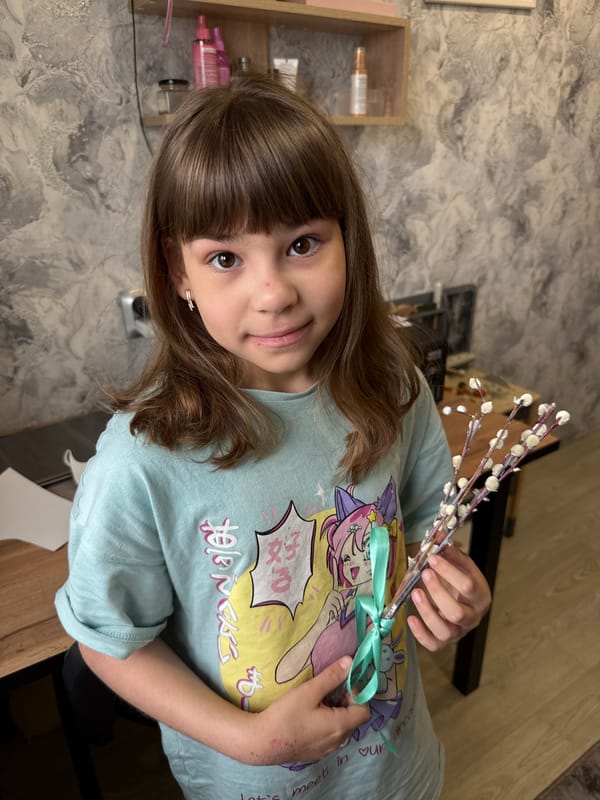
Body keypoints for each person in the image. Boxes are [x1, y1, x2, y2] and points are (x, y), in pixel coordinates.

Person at [56, 74, 491, 800]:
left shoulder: (394, 389)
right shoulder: (143, 458)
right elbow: (108, 641)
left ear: (347, 241)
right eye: (226, 258)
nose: (273, 293)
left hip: (397, 770)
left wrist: (454, 592)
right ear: (178, 270)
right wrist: (245, 739)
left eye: (302, 244)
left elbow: (425, 533)